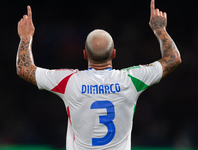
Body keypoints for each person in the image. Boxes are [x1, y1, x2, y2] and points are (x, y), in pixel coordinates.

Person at [16, 0, 181, 149]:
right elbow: (173, 59)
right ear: (114, 53)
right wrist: (160, 30)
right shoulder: (131, 80)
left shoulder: (69, 81)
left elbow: (24, 69)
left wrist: (25, 37)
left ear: (85, 54)